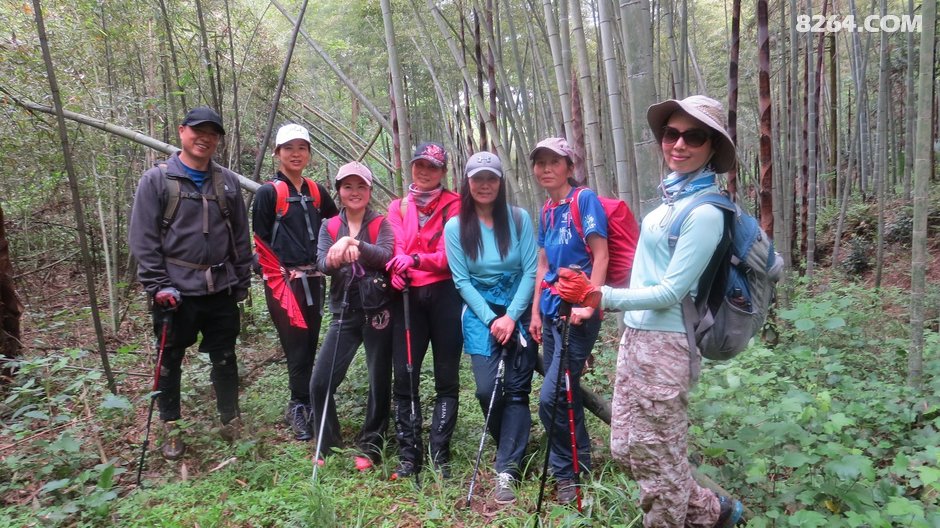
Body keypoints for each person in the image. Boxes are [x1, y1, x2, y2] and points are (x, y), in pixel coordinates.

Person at [555, 95, 745, 527]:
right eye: (671, 133)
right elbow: (645, 276)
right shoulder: (666, 206)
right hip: (636, 339)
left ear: (712, 147)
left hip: (667, 345)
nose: (678, 144)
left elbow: (672, 290)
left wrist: (601, 296)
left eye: (693, 136)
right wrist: (594, 298)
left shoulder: (707, 213)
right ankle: (715, 512)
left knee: (659, 462)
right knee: (628, 447)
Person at [129, 106, 252, 460]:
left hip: (220, 287)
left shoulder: (227, 181)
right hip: (176, 290)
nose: (205, 138)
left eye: (213, 133)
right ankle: (171, 428)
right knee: (169, 359)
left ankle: (231, 419)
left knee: (225, 357)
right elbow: (143, 238)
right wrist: (157, 285)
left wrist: (241, 278)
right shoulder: (157, 180)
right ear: (182, 131)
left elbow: (241, 236)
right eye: (199, 130)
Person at [443, 151, 538, 504]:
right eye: (478, 179)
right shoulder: (455, 227)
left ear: (500, 183)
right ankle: (512, 447)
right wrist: (493, 319)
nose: (485, 185)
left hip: (519, 311)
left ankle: (507, 469)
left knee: (515, 390)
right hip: (481, 315)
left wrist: (512, 316)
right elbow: (461, 281)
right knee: (486, 390)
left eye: (492, 179)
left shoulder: (518, 218)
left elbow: (531, 270)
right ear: (467, 183)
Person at [528, 137, 609, 504]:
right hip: (550, 311)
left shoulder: (584, 200)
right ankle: (582, 464)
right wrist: (534, 314)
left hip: (577, 315)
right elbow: (543, 264)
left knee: (552, 397)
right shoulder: (547, 209)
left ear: (569, 167)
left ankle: (567, 474)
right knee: (565, 390)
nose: (546, 169)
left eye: (554, 162)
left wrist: (591, 304)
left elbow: (600, 254)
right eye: (540, 163)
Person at [252, 124, 339, 441]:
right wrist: (273, 273)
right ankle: (300, 406)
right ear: (277, 153)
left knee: (311, 343)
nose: (295, 154)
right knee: (297, 348)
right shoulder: (268, 193)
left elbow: (336, 222)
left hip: (315, 279)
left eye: (301, 148)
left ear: (309, 154)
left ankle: (310, 403)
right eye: (289, 148)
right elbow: (259, 241)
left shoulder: (316, 191)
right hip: (284, 283)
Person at [309, 161, 394, 471]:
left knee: (378, 380)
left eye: (361, 186)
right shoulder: (329, 226)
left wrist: (354, 244)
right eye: (348, 186)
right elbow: (321, 262)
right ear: (339, 191)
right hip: (343, 312)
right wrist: (339, 247)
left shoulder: (382, 223)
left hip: (378, 312)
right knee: (320, 382)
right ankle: (326, 443)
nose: (354, 192)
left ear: (369, 190)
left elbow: (387, 255)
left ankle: (372, 446)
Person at [386, 142, 461, 480]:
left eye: (432, 167)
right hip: (408, 298)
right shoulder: (398, 207)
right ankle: (408, 455)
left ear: (443, 171)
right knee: (405, 376)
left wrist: (415, 260)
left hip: (446, 294)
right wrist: (395, 271)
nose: (425, 172)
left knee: (446, 377)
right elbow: (396, 246)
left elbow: (449, 255)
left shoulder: (456, 206)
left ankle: (439, 453)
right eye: (420, 165)